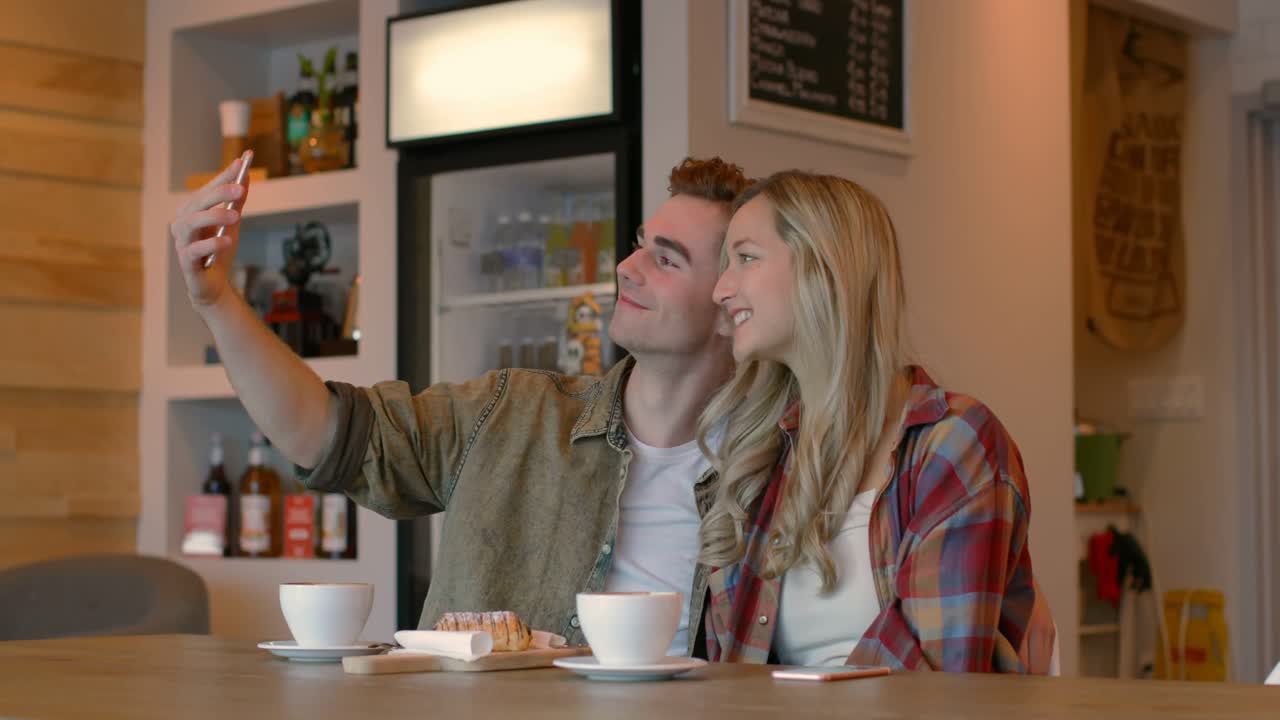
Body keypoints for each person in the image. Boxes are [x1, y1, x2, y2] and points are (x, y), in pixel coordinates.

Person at [168, 156, 751, 653]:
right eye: (638, 247)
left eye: (666, 259)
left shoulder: (773, 481)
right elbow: (325, 435)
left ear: (732, 304)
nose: (626, 268)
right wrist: (216, 302)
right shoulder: (511, 413)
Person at [697, 170, 1056, 672]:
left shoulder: (954, 443)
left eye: (746, 258)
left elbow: (937, 685)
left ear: (825, 268)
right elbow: (733, 676)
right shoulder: (764, 457)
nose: (720, 289)